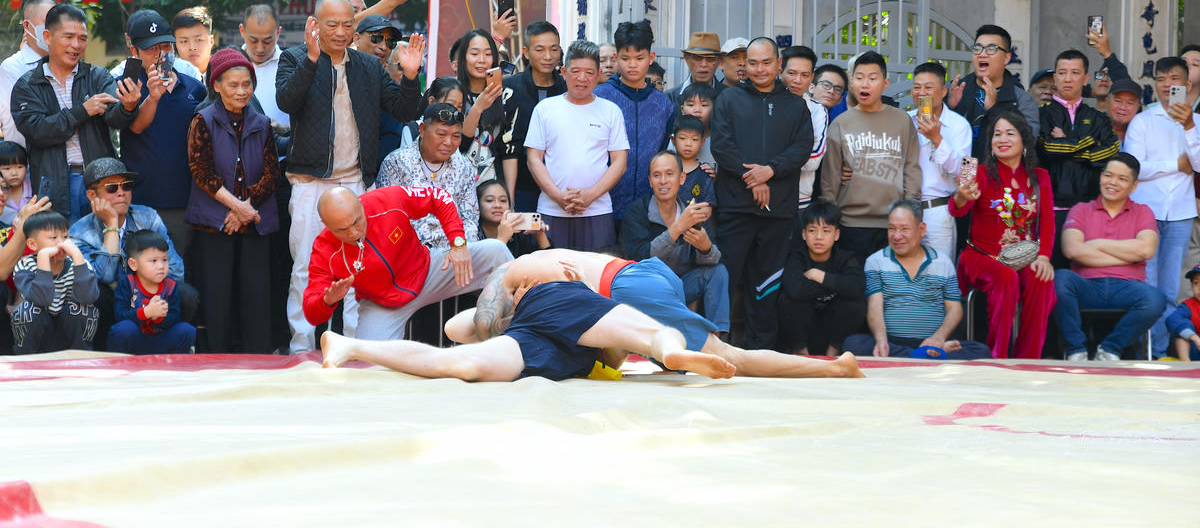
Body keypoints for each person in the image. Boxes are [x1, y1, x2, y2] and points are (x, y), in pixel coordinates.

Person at [446, 249, 865, 378]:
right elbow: (458, 328)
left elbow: (478, 325)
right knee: (612, 353)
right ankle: (670, 354)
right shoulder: (536, 273)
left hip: (624, 287)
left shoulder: (511, 273)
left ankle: (834, 369)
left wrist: (499, 332)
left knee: (730, 355)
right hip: (641, 273)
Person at [276, 0, 425, 353]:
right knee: (305, 268)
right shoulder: (294, 58)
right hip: (310, 182)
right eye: (332, 25)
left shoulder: (368, 66)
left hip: (356, 182)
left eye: (347, 24)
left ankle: (356, 346)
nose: (341, 32)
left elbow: (403, 110)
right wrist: (312, 60)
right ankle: (301, 347)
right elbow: (286, 101)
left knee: (360, 268)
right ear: (316, 25)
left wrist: (410, 76)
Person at [320, 280, 737, 381]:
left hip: (559, 350)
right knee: (651, 335)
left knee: (462, 365)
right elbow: (455, 325)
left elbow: (612, 360)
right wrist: (511, 305)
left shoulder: (594, 308)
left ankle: (347, 344)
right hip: (548, 310)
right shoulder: (554, 283)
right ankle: (669, 352)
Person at [302, 186, 512, 341]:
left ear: (360, 203)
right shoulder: (323, 250)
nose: (354, 232)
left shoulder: (387, 199)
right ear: (325, 224)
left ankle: (524, 315)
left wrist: (458, 243)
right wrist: (327, 301)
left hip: (428, 270)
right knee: (369, 366)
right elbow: (311, 313)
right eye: (342, 229)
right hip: (381, 304)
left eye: (357, 221)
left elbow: (438, 197)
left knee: (495, 250)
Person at [710, 37, 814, 349]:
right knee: (726, 276)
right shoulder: (728, 99)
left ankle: (761, 348)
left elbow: (801, 149)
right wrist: (753, 179)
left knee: (768, 281)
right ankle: (717, 343)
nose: (759, 69)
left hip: (778, 211)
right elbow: (721, 146)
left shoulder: (795, 105)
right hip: (735, 207)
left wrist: (770, 171)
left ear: (778, 64)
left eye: (766, 62)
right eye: (752, 63)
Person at [186, 48, 280, 353]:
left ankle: (258, 358)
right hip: (215, 223)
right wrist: (236, 207)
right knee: (217, 295)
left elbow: (272, 173)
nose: (242, 91)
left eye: (247, 84)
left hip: (253, 222)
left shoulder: (262, 123)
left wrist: (244, 209)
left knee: (256, 295)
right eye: (233, 85)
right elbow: (201, 171)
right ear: (216, 85)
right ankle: (217, 359)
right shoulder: (202, 120)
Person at [12, 4, 139, 223]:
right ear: (47, 37)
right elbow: (38, 131)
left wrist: (128, 106)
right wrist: (82, 111)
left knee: (104, 236)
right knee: (60, 240)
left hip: (100, 181)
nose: (76, 45)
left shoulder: (97, 76)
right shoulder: (28, 85)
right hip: (54, 183)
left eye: (82, 38)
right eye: (68, 37)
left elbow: (115, 117)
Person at [951, 112, 1056, 359]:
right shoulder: (974, 170)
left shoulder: (1040, 176)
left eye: (1010, 133)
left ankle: (1028, 359)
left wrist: (1043, 257)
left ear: (1024, 140)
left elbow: (1047, 220)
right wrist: (961, 197)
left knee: (1041, 279)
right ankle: (998, 357)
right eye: (997, 134)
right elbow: (958, 211)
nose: (1002, 139)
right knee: (1006, 277)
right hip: (982, 257)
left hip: (1022, 256)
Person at [69, 157, 196, 348]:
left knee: (186, 293)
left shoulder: (148, 217)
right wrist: (112, 226)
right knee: (97, 294)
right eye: (112, 188)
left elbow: (176, 270)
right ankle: (106, 352)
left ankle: (166, 345)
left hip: (152, 296)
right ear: (92, 195)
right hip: (113, 304)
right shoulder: (79, 232)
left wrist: (143, 290)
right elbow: (103, 277)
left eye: (126, 186)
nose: (121, 193)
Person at [1122, 56, 1200, 358]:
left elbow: (1198, 164)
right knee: (1149, 285)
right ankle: (1147, 352)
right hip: (1146, 213)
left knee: (1170, 289)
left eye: (1174, 79)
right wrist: (1175, 165)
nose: (1167, 85)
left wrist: (1189, 126)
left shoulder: (1196, 123)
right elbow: (1134, 167)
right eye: (1161, 79)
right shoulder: (1143, 120)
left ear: (1187, 84)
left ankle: (1162, 351)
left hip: (1180, 214)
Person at [844, 200, 991, 360]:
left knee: (981, 351)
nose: (896, 236)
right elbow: (875, 307)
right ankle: (925, 355)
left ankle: (925, 353)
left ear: (921, 229)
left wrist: (938, 339)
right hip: (892, 343)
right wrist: (881, 341)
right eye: (891, 229)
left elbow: (955, 309)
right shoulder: (875, 261)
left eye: (904, 229)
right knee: (854, 344)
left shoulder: (942, 262)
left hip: (932, 342)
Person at [114, 9, 207, 256]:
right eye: (151, 49)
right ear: (134, 51)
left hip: (186, 199)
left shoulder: (194, 87)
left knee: (182, 269)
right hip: (142, 200)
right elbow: (135, 126)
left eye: (166, 46)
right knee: (143, 265)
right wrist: (153, 97)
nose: (160, 54)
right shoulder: (126, 85)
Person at [1052, 153, 1163, 361]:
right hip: (1086, 285)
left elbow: (1146, 250)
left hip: (1127, 287)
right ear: (1100, 177)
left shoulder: (1143, 212)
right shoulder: (1080, 210)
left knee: (1155, 299)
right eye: (1108, 175)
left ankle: (1110, 350)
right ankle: (1076, 350)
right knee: (1060, 279)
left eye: (1122, 179)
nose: (1112, 182)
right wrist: (1129, 256)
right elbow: (1072, 250)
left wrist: (1099, 244)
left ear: (1134, 186)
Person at [819, 51, 921, 265]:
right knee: (854, 283)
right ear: (851, 82)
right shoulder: (840, 123)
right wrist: (829, 222)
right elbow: (830, 179)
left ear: (885, 84)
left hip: (893, 225)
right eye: (859, 77)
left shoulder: (902, 121)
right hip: (850, 225)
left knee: (889, 284)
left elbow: (911, 169)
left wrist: (911, 214)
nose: (865, 84)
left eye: (872, 78)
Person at [525, 40, 628, 251]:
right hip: (551, 209)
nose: (582, 78)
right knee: (551, 268)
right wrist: (558, 196)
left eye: (589, 72)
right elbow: (534, 158)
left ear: (599, 75)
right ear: (563, 72)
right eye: (575, 71)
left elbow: (619, 162)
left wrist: (590, 196)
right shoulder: (545, 109)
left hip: (597, 210)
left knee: (596, 269)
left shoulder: (611, 111)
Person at [621, 151, 728, 333]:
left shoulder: (691, 212)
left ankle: (717, 339)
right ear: (650, 181)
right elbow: (639, 258)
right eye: (657, 175)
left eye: (669, 174)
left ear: (682, 178)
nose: (663, 181)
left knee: (718, 272)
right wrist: (677, 227)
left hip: (682, 287)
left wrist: (706, 248)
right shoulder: (637, 211)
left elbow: (715, 258)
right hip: (649, 291)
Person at [1038, 49, 1120, 269]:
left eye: (1075, 73)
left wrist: (1068, 144)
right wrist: (1088, 141)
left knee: (1087, 273)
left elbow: (1111, 150)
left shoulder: (1098, 118)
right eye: (1062, 72)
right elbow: (1047, 148)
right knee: (1052, 273)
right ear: (1055, 78)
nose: (1068, 78)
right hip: (1050, 209)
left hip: (1090, 207)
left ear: (1085, 78)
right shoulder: (1041, 115)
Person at [592, 21, 675, 228]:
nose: (632, 64)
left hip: (648, 209)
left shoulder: (663, 104)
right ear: (616, 57)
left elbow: (661, 151)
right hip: (602, 204)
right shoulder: (600, 97)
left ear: (651, 58)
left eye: (639, 58)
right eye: (625, 58)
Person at [375, 103, 480, 250]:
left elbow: (470, 218)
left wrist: (460, 248)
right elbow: (390, 217)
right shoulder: (396, 163)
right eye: (441, 134)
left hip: (457, 249)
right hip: (413, 252)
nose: (448, 142)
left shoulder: (464, 167)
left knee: (496, 248)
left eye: (456, 136)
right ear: (423, 130)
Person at [779, 200, 865, 356]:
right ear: (804, 234)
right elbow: (794, 289)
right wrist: (836, 286)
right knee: (787, 299)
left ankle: (832, 354)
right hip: (804, 328)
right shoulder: (797, 257)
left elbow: (856, 287)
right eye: (812, 230)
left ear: (836, 235)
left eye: (826, 231)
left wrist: (818, 275)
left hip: (833, 329)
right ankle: (802, 354)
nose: (819, 237)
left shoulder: (846, 258)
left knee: (855, 301)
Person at [497, 21, 567, 211]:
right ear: (526, 52)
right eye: (540, 50)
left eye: (554, 49)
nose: (548, 56)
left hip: (562, 187)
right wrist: (509, 198)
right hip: (519, 188)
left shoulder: (567, 89)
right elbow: (506, 143)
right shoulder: (509, 88)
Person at [10, 211, 100, 354]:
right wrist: (43, 258)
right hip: (40, 329)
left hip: (69, 329)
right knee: (26, 311)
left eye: (65, 237)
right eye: (53, 238)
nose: (61, 243)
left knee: (84, 309)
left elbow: (88, 297)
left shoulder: (80, 264)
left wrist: (77, 255)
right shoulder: (25, 267)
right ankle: (27, 359)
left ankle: (80, 358)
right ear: (32, 244)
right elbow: (42, 299)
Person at [907, 61, 971, 260]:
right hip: (905, 209)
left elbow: (965, 173)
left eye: (928, 87)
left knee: (939, 271)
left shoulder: (959, 125)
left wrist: (936, 138)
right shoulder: (905, 120)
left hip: (938, 211)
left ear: (943, 91)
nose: (921, 93)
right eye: (917, 87)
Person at [946, 25, 1040, 155]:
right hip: (961, 166)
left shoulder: (1022, 100)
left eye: (991, 49)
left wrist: (995, 110)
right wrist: (949, 107)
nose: (982, 54)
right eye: (977, 48)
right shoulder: (953, 90)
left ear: (1006, 58)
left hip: (997, 168)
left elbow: (1027, 144)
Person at [107, 229, 196, 355]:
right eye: (154, 261)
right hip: (135, 340)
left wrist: (159, 317)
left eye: (164, 260)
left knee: (186, 330)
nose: (161, 266)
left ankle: (174, 363)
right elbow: (120, 316)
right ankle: (120, 363)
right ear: (133, 264)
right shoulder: (128, 283)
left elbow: (175, 317)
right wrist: (146, 313)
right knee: (123, 329)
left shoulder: (170, 286)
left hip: (161, 341)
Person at [0, 0, 55, 146]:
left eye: (57, 22)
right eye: (47, 21)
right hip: (26, 157)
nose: (53, 28)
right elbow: (27, 119)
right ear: (27, 26)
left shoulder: (65, 64)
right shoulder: (11, 68)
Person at [780, 46, 828, 211]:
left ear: (812, 77)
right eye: (792, 73)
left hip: (800, 199)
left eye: (805, 75)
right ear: (780, 70)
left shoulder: (817, 111)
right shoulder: (767, 104)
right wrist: (798, 149)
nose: (798, 80)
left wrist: (772, 163)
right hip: (764, 194)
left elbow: (813, 161)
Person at [454, 28, 505, 183]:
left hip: (493, 185)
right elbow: (460, 145)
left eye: (488, 54)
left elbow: (506, 151)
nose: (482, 60)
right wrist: (478, 108)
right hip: (456, 182)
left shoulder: (503, 94)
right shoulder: (452, 93)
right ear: (463, 59)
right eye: (475, 54)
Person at [385, 76, 466, 160]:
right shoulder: (413, 130)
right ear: (432, 101)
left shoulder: (457, 130)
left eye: (459, 106)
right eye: (450, 104)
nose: (455, 110)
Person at [239, 4, 286, 129]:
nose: (260, 49)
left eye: (267, 41)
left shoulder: (290, 66)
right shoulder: (228, 66)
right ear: (242, 31)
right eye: (253, 41)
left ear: (278, 33)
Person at [476, 179, 551, 258]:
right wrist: (502, 239)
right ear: (477, 205)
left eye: (503, 200)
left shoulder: (517, 234)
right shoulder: (472, 233)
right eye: (489, 200)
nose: (497, 205)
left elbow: (545, 262)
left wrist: (540, 235)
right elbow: (485, 263)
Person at [668, 83, 719, 168]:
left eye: (704, 105)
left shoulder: (719, 141)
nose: (697, 110)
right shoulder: (673, 140)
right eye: (691, 105)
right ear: (682, 109)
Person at [670, 115, 717, 206]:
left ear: (702, 142)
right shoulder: (664, 169)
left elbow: (707, 207)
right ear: (673, 140)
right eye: (682, 138)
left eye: (694, 139)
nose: (688, 144)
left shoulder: (705, 174)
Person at [665, 31, 722, 104]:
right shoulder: (670, 98)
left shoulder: (730, 97)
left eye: (710, 58)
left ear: (719, 61)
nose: (704, 64)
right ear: (686, 58)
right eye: (697, 58)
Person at [1165, 263, 1200, 361]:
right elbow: (1172, 319)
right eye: (1196, 283)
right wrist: (1193, 337)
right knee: (1182, 333)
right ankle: (1185, 363)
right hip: (1194, 349)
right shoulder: (1188, 305)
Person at [172, 6, 216, 77]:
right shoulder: (168, 77)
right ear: (176, 44)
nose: (192, 47)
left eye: (199, 40)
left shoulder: (225, 73)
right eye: (184, 41)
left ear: (211, 41)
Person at [0, 141, 32, 227]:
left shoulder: (33, 189)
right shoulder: (1, 194)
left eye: (20, 167)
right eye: (7, 168)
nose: (14, 173)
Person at [1106, 78, 1143, 144]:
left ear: (1138, 107)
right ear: (1107, 102)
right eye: (1118, 101)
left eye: (1130, 103)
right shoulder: (1094, 129)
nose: (1123, 107)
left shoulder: (1145, 134)